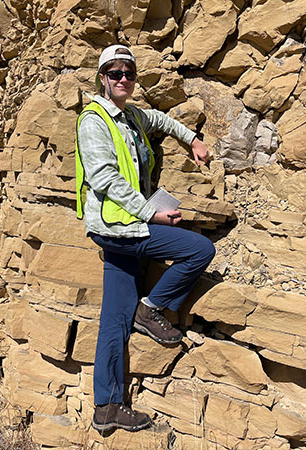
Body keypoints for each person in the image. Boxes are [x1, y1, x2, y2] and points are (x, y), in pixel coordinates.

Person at [75, 45, 216, 433]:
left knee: (113, 322)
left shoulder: (133, 116)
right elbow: (104, 178)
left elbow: (162, 121)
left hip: (126, 227)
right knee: (200, 249)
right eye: (115, 72)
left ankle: (107, 407)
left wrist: (193, 139)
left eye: (130, 73)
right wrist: (152, 213)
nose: (123, 79)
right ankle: (151, 307)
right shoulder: (93, 121)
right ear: (102, 77)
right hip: (118, 229)